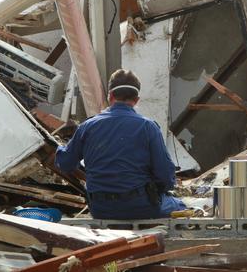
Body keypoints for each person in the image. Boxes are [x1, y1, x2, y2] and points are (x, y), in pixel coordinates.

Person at [56, 69, 186, 219]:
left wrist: (61, 147)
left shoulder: (87, 127)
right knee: (180, 206)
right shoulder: (148, 127)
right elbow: (165, 175)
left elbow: (65, 164)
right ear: (137, 100)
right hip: (140, 206)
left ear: (110, 96)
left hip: (100, 209)